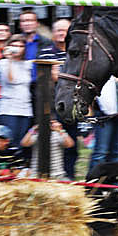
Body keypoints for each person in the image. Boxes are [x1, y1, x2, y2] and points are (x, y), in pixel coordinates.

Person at [37, 19, 79, 178]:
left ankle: (69, 176)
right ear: (53, 33)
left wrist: (58, 74)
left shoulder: (77, 52)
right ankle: (49, 176)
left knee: (70, 144)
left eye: (65, 30)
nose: (61, 33)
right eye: (58, 30)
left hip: (73, 104)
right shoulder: (45, 51)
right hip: (50, 106)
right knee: (49, 143)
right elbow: (44, 78)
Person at [0, 35, 33, 148]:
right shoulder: (3, 63)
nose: (17, 48)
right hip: (8, 108)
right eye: (14, 45)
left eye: (21, 46)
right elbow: (10, 80)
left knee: (22, 142)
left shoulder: (28, 64)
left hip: (25, 108)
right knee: (9, 141)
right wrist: (10, 60)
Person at [88, 77, 118, 172]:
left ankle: (113, 181)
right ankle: (94, 181)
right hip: (104, 116)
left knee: (117, 151)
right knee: (101, 151)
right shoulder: (101, 74)